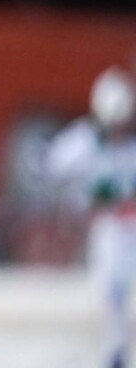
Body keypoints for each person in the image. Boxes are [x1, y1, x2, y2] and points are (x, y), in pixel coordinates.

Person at [45, 65, 136, 368]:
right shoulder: (83, 141)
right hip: (107, 229)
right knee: (110, 289)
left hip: (128, 226)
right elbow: (50, 166)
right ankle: (115, 349)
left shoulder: (130, 149)